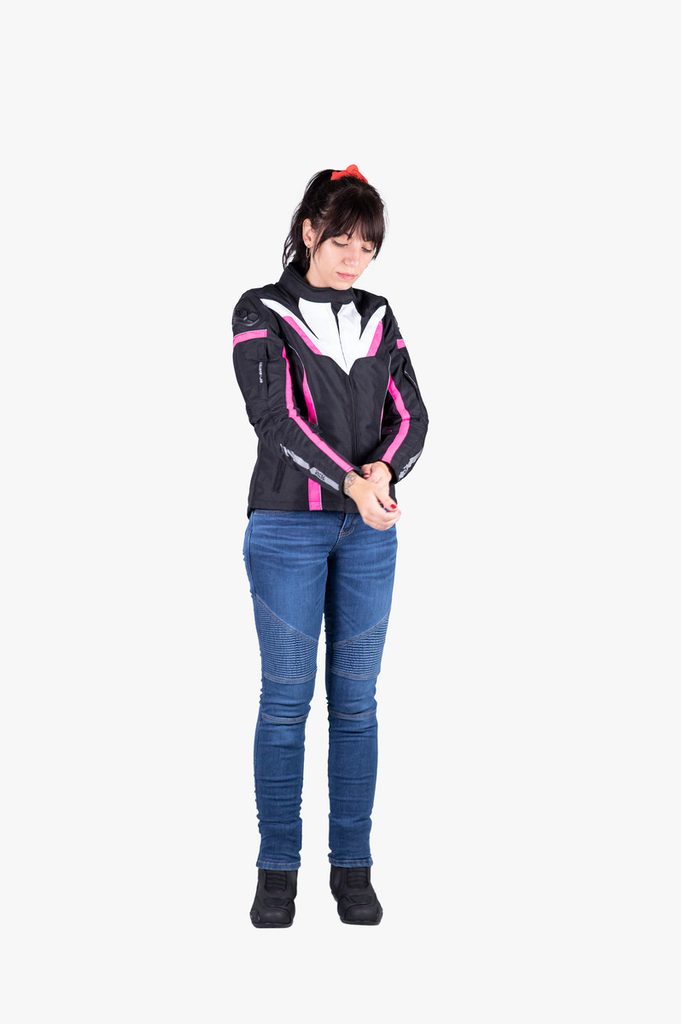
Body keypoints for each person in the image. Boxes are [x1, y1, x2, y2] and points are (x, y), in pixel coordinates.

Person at [230, 164, 429, 927]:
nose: (354, 258)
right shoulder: (262, 309)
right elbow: (274, 420)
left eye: (367, 247)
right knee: (285, 704)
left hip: (368, 532)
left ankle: (353, 868)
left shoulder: (378, 314)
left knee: (356, 705)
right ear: (309, 229)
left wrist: (383, 470)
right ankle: (276, 871)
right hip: (286, 526)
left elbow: (412, 414)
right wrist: (350, 480)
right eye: (342, 240)